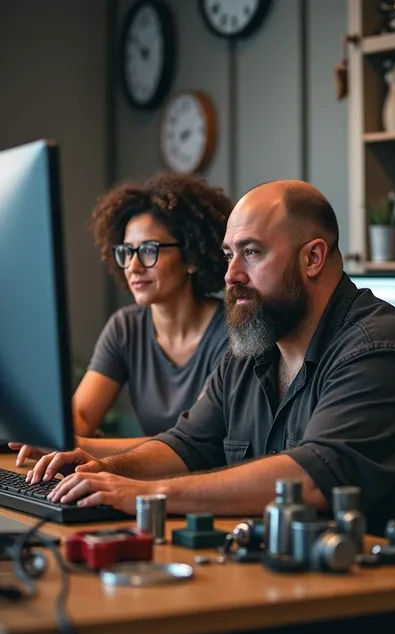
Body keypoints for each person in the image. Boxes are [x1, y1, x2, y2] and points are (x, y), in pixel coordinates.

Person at [23, 180, 395, 634]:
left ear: (313, 257)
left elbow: (310, 480)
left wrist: (145, 494)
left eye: (252, 253)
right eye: (228, 254)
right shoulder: (252, 349)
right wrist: (107, 469)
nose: (231, 274)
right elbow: (186, 443)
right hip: (307, 596)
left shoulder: (380, 352)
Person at [11, 172, 232, 463]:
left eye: (149, 250)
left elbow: (194, 440)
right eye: (126, 252)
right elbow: (81, 413)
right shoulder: (126, 328)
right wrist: (59, 441)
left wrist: (80, 445)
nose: (133, 266)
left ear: (190, 257)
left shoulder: (229, 332)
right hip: (142, 485)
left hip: (203, 490)